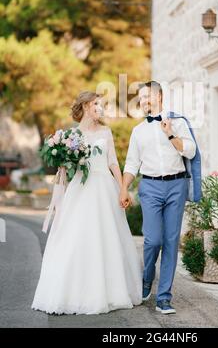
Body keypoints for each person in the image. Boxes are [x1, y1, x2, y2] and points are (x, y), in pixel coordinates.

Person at [32, 91, 142, 315]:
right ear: (84, 106)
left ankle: (111, 291)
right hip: (81, 190)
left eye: (100, 104)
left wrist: (122, 189)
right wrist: (58, 198)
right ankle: (72, 291)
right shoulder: (71, 135)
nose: (99, 108)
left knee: (107, 238)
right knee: (76, 238)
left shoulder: (106, 131)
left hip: (104, 188)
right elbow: (63, 172)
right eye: (95, 104)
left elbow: (112, 162)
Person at [121, 81, 197, 315]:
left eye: (148, 96)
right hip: (150, 186)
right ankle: (146, 278)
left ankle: (164, 297)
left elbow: (190, 150)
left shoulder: (179, 122)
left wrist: (170, 133)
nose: (144, 101)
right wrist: (123, 189)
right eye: (141, 98)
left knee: (171, 242)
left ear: (160, 96)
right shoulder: (138, 131)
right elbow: (132, 163)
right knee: (153, 240)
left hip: (176, 185)